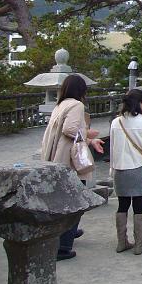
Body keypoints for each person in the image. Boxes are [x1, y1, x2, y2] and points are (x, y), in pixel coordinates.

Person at [40, 74, 104, 261]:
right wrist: (87, 132)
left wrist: (90, 140)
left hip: (55, 157)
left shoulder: (60, 105)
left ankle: (68, 233)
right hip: (69, 161)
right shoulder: (77, 105)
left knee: (63, 200)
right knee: (75, 201)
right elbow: (70, 130)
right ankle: (64, 245)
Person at [109, 89, 142, 255]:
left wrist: (112, 168)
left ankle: (121, 241)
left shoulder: (116, 122)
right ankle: (138, 244)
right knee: (138, 206)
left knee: (122, 205)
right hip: (138, 168)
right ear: (141, 103)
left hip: (120, 168)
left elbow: (112, 148)